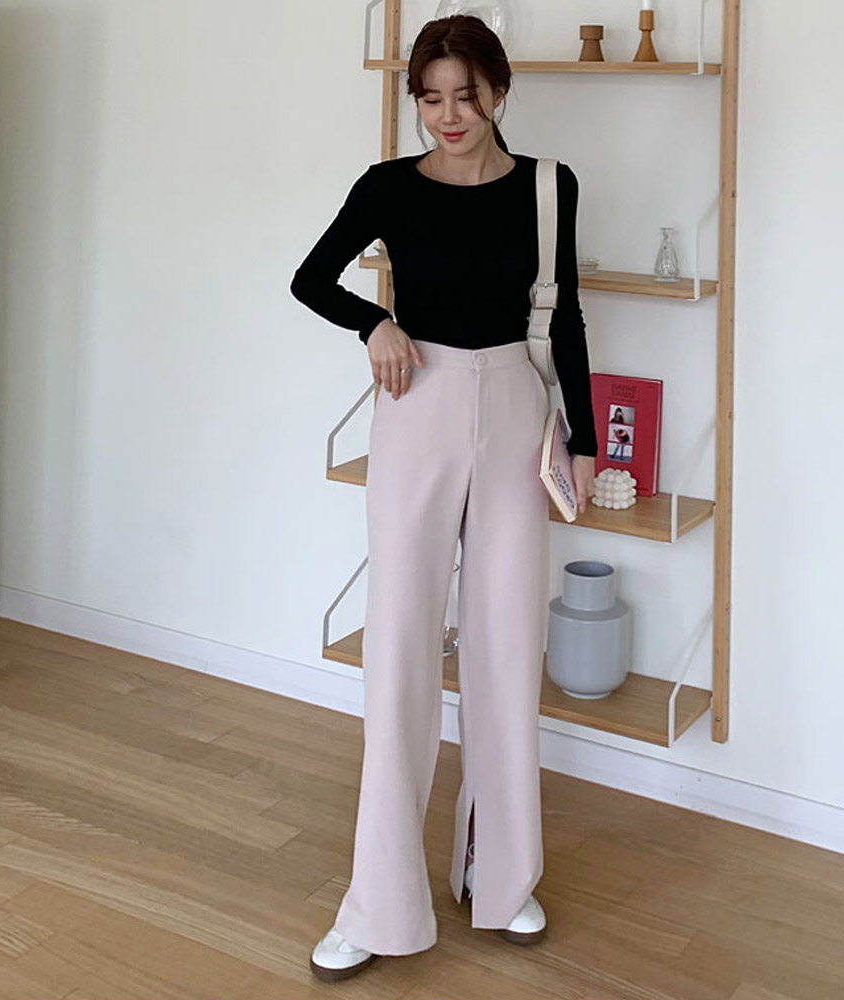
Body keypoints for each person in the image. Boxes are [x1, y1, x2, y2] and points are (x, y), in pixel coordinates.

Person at [289, 14, 598, 983]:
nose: (449, 115)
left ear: (498, 91)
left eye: (466, 94)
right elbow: (309, 279)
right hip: (415, 403)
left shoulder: (548, 186)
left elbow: (567, 313)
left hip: (514, 406)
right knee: (401, 647)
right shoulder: (387, 186)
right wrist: (374, 323)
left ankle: (499, 875)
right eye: (431, 98)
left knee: (506, 645)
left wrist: (586, 440)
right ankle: (378, 901)